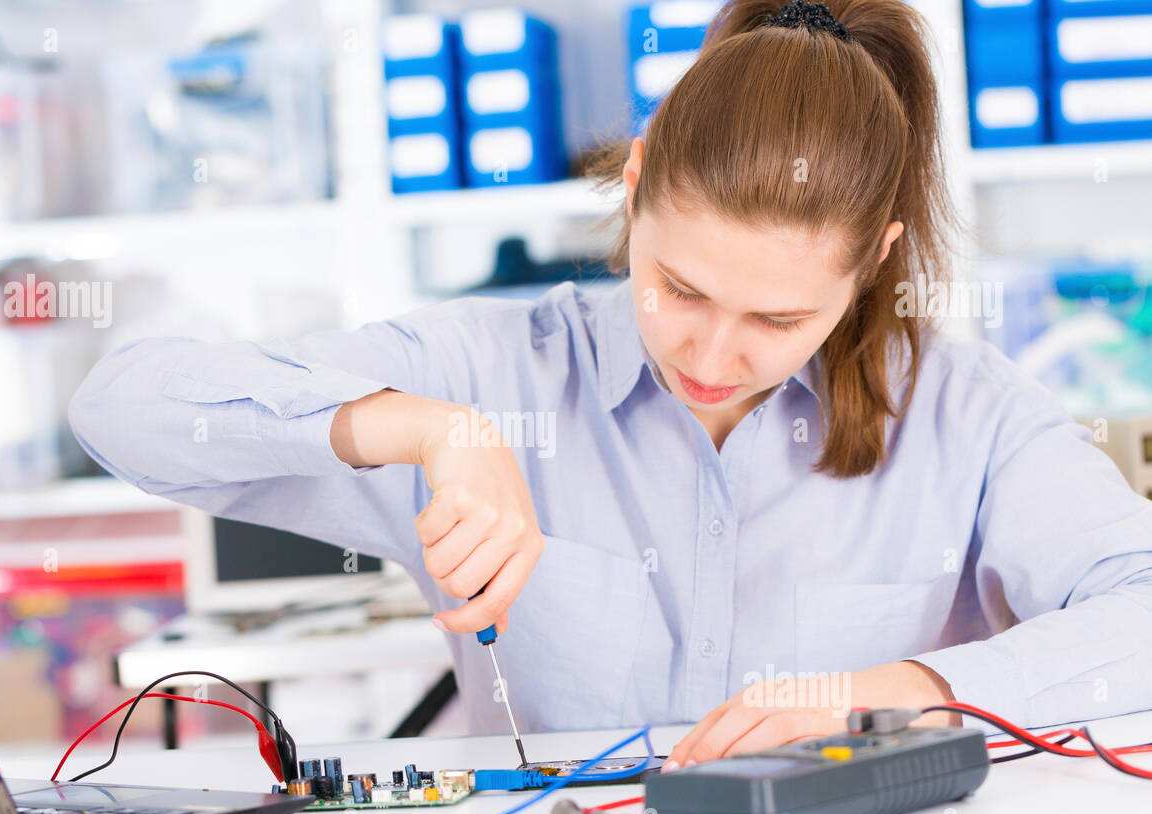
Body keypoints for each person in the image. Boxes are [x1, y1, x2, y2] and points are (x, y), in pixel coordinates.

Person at [68, 0, 1152, 771]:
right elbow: (121, 405)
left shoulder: (970, 414)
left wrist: (900, 694)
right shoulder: (491, 369)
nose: (713, 356)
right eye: (677, 286)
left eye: (778, 319)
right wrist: (417, 426)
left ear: (873, 259)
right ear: (634, 188)